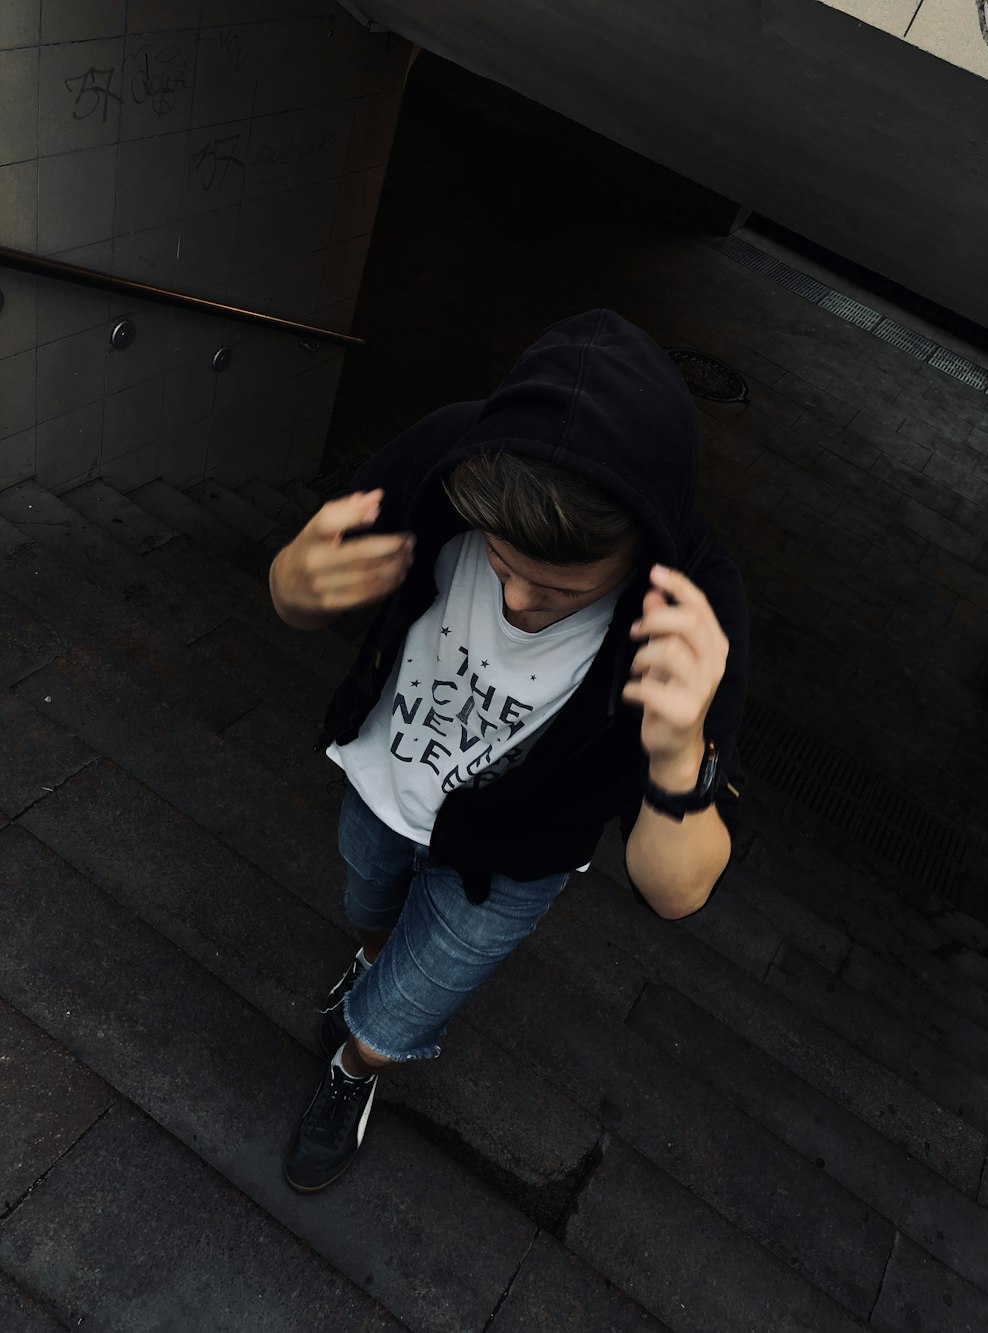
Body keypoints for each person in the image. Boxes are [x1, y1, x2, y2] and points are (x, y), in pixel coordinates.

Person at [269, 308, 748, 1192]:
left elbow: (676, 889)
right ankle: (370, 963)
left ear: (640, 545)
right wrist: (293, 582)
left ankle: (353, 1072)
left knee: (407, 1005)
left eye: (563, 589)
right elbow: (302, 590)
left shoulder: (695, 606)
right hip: (384, 777)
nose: (519, 599)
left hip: (516, 856)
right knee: (367, 905)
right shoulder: (452, 452)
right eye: (497, 559)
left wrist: (681, 752)